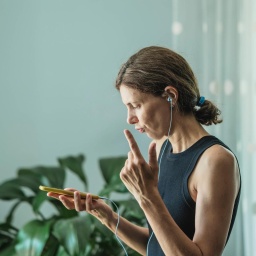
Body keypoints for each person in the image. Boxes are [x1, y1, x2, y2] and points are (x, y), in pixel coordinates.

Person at [48, 46, 241, 256]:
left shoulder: (215, 160)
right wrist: (106, 216)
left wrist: (147, 197)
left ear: (170, 96)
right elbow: (157, 245)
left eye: (136, 105)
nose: (130, 118)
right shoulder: (161, 148)